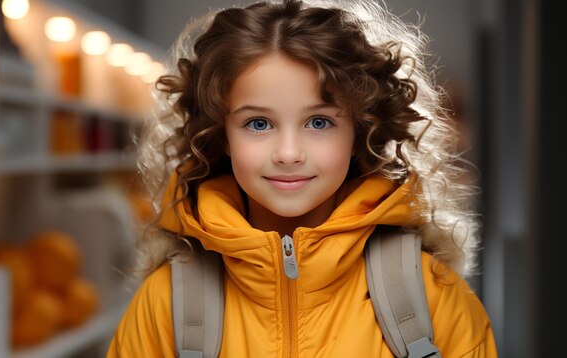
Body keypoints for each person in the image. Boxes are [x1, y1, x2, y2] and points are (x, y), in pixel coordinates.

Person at [107, 0, 497, 356]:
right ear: (221, 134)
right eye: (258, 123)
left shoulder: (433, 299)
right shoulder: (165, 305)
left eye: (319, 121)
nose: (289, 153)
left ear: (359, 132)